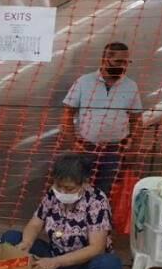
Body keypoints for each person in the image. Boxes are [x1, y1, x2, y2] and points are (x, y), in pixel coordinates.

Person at [1, 154, 122, 269]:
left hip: (80, 266)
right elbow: (35, 224)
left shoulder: (96, 201)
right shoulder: (52, 195)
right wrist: (27, 242)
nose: (62, 192)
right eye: (59, 186)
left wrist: (56, 262)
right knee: (11, 239)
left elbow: (96, 248)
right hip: (52, 256)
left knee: (109, 265)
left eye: (69, 188)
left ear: (84, 183)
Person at [61, 41, 143, 197]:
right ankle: (78, 220)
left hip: (115, 150)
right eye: (119, 61)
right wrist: (73, 144)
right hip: (86, 148)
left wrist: (134, 148)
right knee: (79, 188)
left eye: (126, 62)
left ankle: (98, 219)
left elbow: (137, 120)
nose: (124, 66)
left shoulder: (131, 86)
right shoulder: (83, 82)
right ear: (104, 60)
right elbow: (67, 114)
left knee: (104, 192)